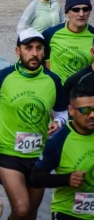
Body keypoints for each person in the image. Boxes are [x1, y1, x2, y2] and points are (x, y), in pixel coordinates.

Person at [0, 28, 68, 220]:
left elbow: (62, 112)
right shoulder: (2, 77)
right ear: (18, 51)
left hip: (39, 156)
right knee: (21, 208)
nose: (34, 53)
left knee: (31, 214)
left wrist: (59, 123)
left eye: (39, 48)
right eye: (28, 48)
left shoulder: (53, 80)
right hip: (8, 153)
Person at [32, 87, 94, 220]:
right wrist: (67, 179)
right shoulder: (58, 141)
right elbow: (36, 177)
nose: (92, 115)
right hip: (69, 214)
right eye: (85, 110)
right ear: (71, 110)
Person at [43, 0, 94, 83]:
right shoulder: (50, 34)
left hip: (83, 92)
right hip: (59, 91)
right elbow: (43, 62)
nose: (81, 14)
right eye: (76, 10)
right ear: (67, 12)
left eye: (85, 9)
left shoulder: (93, 35)